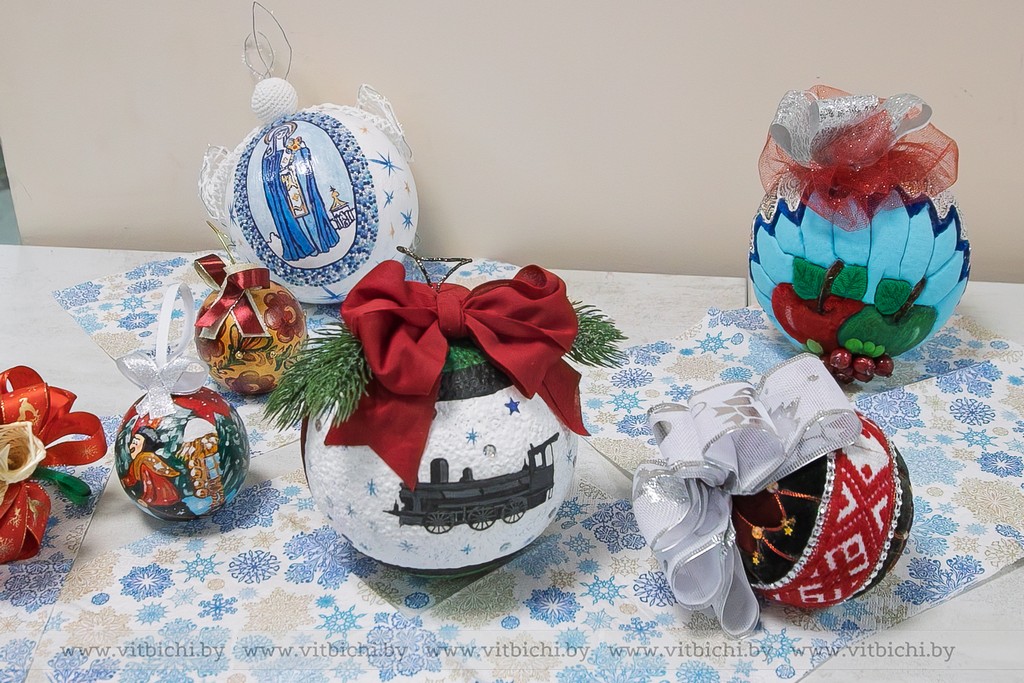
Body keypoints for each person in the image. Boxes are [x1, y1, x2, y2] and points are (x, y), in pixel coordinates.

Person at [261, 123, 319, 261]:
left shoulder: (290, 149)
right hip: (283, 192)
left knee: (306, 216)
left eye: (284, 133)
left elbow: (302, 163)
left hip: (296, 187)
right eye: (279, 134)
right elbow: (270, 176)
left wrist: (302, 149)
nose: (282, 136)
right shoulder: (269, 157)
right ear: (274, 138)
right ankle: (303, 247)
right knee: (291, 219)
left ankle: (316, 243)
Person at [121, 427, 187, 514]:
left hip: (162, 497)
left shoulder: (146, 461)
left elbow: (149, 484)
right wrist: (126, 481)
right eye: (133, 442)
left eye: (136, 443)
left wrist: (147, 499)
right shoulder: (137, 461)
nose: (131, 446)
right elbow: (132, 476)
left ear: (146, 445)